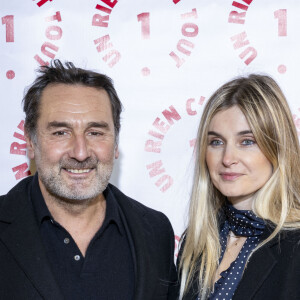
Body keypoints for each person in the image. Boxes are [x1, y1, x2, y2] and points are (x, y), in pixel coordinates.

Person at [0, 60, 178, 300]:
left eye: (95, 133)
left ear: (116, 143)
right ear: (30, 142)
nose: (80, 153)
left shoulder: (157, 232)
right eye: (61, 133)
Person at [177, 74, 300, 300]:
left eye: (247, 141)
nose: (227, 158)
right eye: (216, 142)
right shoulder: (196, 243)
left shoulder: (295, 244)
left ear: (277, 148)